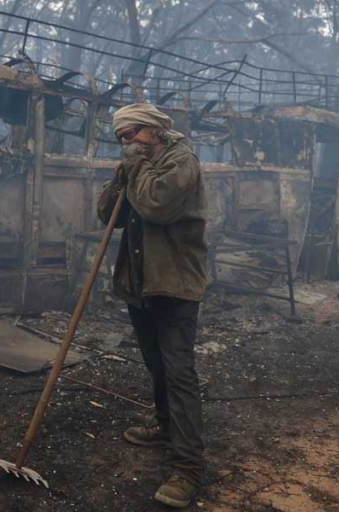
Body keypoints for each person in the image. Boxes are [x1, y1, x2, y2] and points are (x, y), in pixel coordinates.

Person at [97, 102, 209, 508]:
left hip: (175, 285)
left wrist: (134, 169)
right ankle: (165, 426)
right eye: (122, 139)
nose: (128, 144)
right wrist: (119, 179)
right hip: (142, 284)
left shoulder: (182, 163)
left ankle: (188, 468)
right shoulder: (137, 165)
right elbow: (108, 214)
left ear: (154, 131)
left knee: (178, 372)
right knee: (155, 363)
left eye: (132, 135)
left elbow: (156, 206)